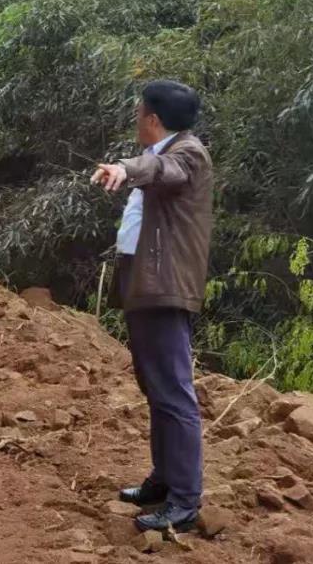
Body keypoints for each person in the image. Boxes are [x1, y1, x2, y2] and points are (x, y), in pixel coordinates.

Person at [90, 80, 213, 532]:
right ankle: (164, 480)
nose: (136, 117)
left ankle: (184, 502)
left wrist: (125, 168)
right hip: (146, 282)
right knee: (156, 386)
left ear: (153, 119)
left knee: (172, 391)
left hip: (164, 286)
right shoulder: (166, 150)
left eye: (139, 111)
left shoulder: (187, 153)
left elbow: (163, 170)